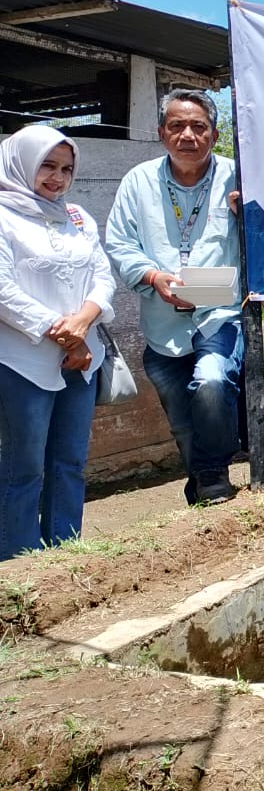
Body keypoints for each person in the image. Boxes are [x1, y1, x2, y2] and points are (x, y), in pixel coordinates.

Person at [106, 90, 242, 506]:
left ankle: (213, 474)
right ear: (161, 132)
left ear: (215, 134)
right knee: (183, 423)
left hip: (221, 312)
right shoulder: (138, 182)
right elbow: (119, 242)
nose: (188, 135)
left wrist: (250, 218)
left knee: (213, 382)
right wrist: (151, 275)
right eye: (177, 126)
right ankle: (203, 484)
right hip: (162, 320)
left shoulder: (238, 178)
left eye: (198, 127)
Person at [0, 126, 116, 560]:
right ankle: (17, 561)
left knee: (69, 462)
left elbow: (102, 277)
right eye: (47, 166)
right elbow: (3, 291)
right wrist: (64, 332)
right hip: (22, 360)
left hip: (81, 357)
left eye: (66, 169)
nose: (57, 177)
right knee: (23, 466)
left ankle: (65, 555)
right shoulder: (3, 214)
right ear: (21, 163)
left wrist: (83, 324)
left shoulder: (77, 216)